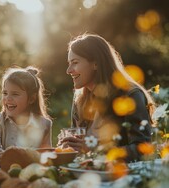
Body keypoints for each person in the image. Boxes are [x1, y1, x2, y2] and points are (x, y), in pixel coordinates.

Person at [58, 33, 155, 162]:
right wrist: (66, 148)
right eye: (69, 63)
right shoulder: (80, 100)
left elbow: (142, 149)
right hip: (89, 176)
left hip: (123, 177)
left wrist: (95, 149)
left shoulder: (130, 96)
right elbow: (79, 150)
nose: (68, 70)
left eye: (75, 62)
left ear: (96, 64)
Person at [0, 66, 53, 166]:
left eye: (15, 94)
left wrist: (12, 157)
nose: (8, 98)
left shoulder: (44, 124)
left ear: (31, 99)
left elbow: (46, 157)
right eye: (5, 93)